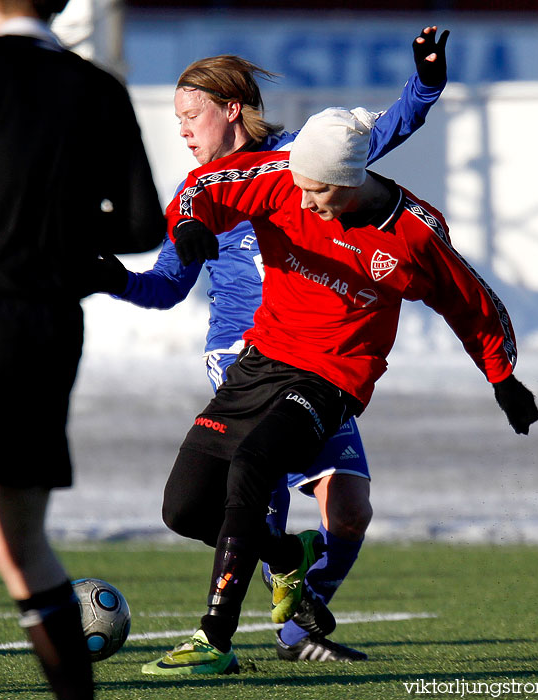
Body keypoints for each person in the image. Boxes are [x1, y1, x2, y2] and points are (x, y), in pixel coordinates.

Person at [140, 105, 538, 677]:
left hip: (331, 379)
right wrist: (190, 224)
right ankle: (287, 555)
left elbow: (472, 305)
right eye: (298, 186)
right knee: (183, 509)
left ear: (350, 181)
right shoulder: (284, 180)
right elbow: (204, 186)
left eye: (317, 192)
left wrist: (504, 379)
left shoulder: (415, 234)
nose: (302, 202)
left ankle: (213, 640)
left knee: (254, 465)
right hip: (261, 361)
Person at [95, 27, 450, 664]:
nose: (182, 130)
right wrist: (114, 277)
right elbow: (167, 288)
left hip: (320, 357)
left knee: (349, 509)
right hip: (243, 354)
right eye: (177, 119)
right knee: (257, 494)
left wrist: (424, 85)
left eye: (191, 114)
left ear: (233, 108)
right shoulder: (201, 195)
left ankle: (295, 608)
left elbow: (383, 130)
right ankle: (242, 635)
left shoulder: (301, 159)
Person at [0, 1, 164, 698]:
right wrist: (67, 247)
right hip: (44, 327)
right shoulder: (96, 89)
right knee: (23, 540)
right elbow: (141, 224)